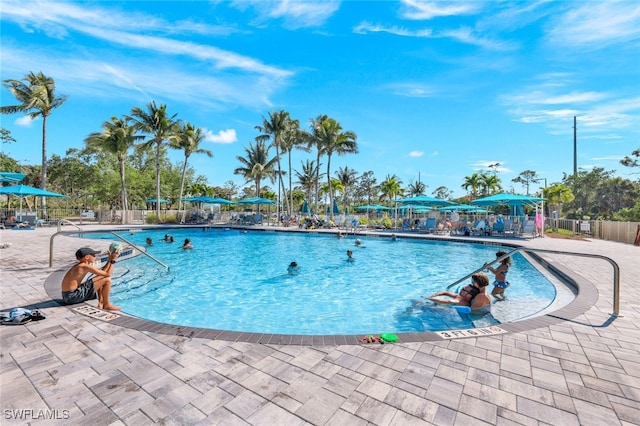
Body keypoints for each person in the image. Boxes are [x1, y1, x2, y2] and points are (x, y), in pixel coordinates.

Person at [426, 273, 491, 310]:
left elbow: (472, 310)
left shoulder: (482, 296)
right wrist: (433, 296)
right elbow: (445, 293)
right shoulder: (479, 290)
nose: (472, 283)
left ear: (478, 282)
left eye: (473, 281)